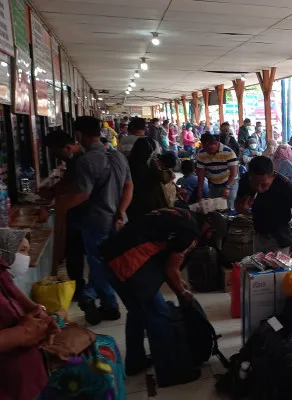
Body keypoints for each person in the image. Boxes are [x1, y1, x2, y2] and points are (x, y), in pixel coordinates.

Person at [100, 209, 227, 387]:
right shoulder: (190, 233)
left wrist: (179, 283)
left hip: (111, 255)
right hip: (126, 262)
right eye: (211, 235)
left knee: (137, 312)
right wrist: (182, 294)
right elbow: (170, 269)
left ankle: (135, 362)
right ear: (209, 228)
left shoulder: (183, 214)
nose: (209, 238)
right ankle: (171, 373)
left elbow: (167, 257)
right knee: (159, 315)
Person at [53, 117, 133, 326]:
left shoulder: (87, 161)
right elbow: (128, 187)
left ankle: (109, 306)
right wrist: (121, 211)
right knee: (112, 262)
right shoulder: (118, 157)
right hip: (118, 219)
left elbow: (82, 194)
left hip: (96, 220)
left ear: (78, 135)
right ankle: (99, 297)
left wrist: (58, 206)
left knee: (98, 263)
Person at [0, 229, 60, 399]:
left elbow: (23, 301)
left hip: (28, 377)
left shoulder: (2, 271)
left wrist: (42, 317)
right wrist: (23, 332)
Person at [43, 131, 87, 298]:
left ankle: (80, 290)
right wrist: (53, 191)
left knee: (75, 250)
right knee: (74, 251)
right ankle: (78, 286)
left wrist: (53, 208)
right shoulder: (73, 159)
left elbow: (79, 190)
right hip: (75, 210)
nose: (56, 157)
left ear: (67, 147)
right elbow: (68, 181)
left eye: (56, 152)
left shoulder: (81, 161)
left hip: (81, 210)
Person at [237, 156, 292, 257]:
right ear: (249, 176)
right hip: (258, 235)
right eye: (255, 184)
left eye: (264, 184)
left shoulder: (285, 186)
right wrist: (243, 208)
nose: (259, 189)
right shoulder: (245, 180)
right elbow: (237, 205)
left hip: (280, 237)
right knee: (258, 270)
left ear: (273, 175)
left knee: (279, 272)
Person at [126, 137, 173, 220]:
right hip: (150, 207)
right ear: (149, 151)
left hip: (132, 205)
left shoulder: (128, 162)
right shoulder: (149, 165)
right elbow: (165, 178)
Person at [196, 134, 239, 209]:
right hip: (215, 184)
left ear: (216, 143)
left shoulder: (228, 152)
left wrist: (227, 188)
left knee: (229, 204)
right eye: (205, 149)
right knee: (212, 207)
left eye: (209, 149)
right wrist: (199, 189)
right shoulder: (202, 154)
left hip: (230, 182)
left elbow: (234, 173)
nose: (207, 152)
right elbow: (201, 174)